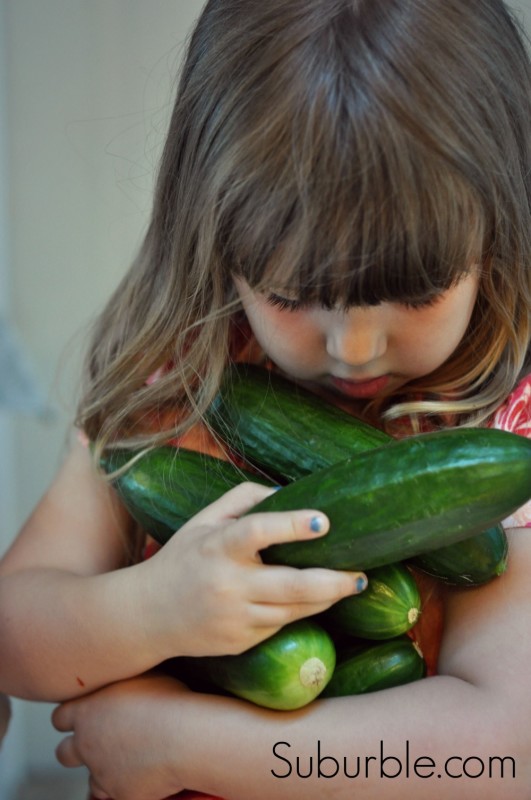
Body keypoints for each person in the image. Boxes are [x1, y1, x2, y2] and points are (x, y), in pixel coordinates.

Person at [1, 0, 531, 797]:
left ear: (497, 234)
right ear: (215, 242)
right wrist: (152, 611)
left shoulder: (501, 435)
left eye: (416, 289)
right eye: (291, 292)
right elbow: (13, 631)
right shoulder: (172, 390)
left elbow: (500, 751)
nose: (353, 345)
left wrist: (185, 745)